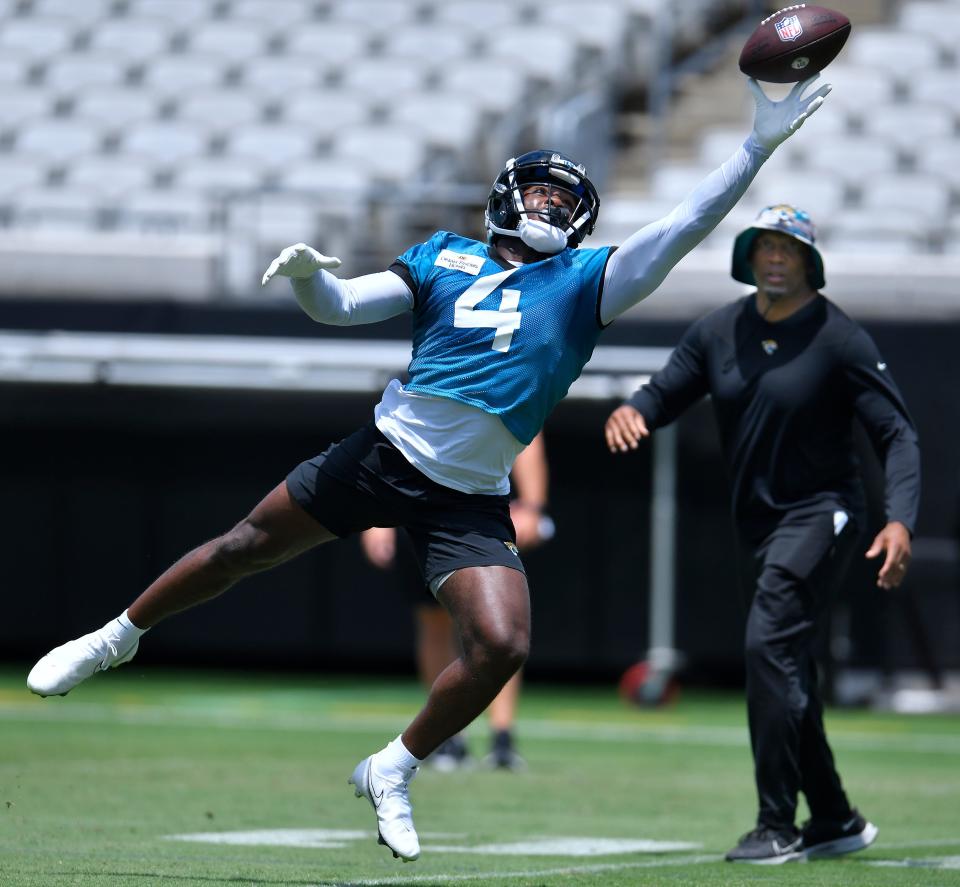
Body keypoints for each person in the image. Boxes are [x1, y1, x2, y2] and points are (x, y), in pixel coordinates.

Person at [26, 76, 831, 864]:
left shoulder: (589, 283)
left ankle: (394, 765)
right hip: (384, 454)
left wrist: (757, 146)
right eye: (541, 194)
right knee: (244, 546)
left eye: (564, 200)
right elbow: (339, 307)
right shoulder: (441, 256)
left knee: (504, 642)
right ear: (508, 197)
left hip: (470, 493)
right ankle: (113, 638)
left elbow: (685, 222)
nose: (552, 206)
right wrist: (311, 275)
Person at [604, 204, 920, 864]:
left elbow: (896, 433)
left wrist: (900, 519)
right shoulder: (718, 331)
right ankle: (833, 815)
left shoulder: (840, 338)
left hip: (823, 514)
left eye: (789, 248)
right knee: (786, 666)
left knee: (766, 646)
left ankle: (776, 822)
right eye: (764, 247)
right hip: (757, 524)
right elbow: (665, 391)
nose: (775, 258)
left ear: (810, 261)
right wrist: (634, 409)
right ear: (748, 258)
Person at [361, 432, 552, 771]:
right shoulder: (417, 380)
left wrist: (533, 508)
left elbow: (528, 434)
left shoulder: (499, 379)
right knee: (434, 621)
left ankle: (502, 737)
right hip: (422, 509)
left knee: (502, 627)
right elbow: (392, 436)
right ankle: (449, 738)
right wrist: (375, 518)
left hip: (483, 513)